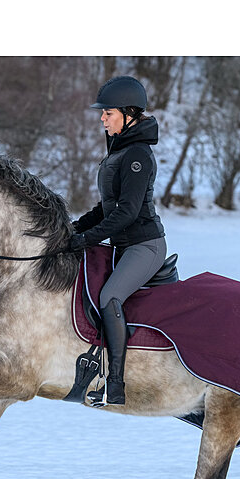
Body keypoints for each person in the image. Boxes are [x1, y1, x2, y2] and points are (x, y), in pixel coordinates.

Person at [68, 76, 167, 406]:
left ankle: (115, 384)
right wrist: (72, 229)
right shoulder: (119, 152)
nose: (102, 118)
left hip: (145, 246)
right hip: (124, 245)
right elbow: (105, 207)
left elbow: (126, 213)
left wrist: (86, 239)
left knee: (110, 295)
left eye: (108, 112)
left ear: (128, 114)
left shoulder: (137, 155)